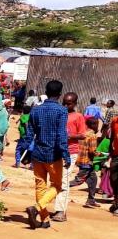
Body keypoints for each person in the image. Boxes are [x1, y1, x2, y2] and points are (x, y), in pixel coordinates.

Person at [24, 80, 69, 230]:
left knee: (40, 186)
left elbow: (29, 133)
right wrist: (66, 155)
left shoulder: (35, 110)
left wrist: (25, 151)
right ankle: (37, 208)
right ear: (60, 93)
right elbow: (61, 135)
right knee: (56, 186)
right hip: (54, 154)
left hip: (37, 153)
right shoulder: (62, 111)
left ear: (46, 91)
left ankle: (45, 220)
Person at [53, 92, 86, 222]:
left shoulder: (78, 117)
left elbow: (82, 135)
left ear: (75, 103)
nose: (66, 105)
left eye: (69, 103)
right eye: (65, 103)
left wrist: (69, 136)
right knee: (56, 179)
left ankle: (61, 211)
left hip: (71, 152)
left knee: (64, 180)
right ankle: (57, 208)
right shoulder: (59, 114)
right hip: (57, 151)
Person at [70, 117, 101, 208]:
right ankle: (58, 188)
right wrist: (99, 154)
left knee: (93, 179)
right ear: (93, 125)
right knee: (78, 181)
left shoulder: (83, 134)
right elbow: (92, 151)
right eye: (96, 125)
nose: (98, 127)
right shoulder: (92, 136)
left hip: (81, 160)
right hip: (87, 162)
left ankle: (91, 200)